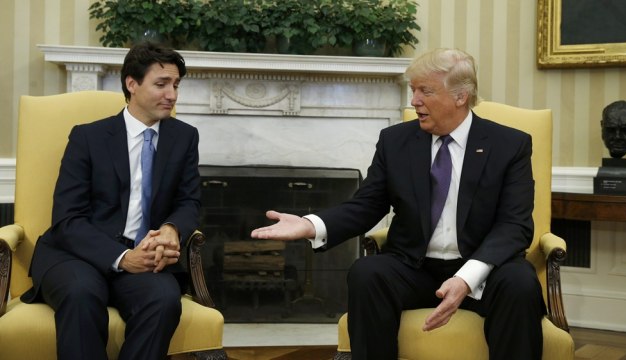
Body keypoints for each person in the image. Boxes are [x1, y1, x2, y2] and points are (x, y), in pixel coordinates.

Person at [251, 48, 546, 360]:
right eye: (413, 90)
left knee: (520, 282)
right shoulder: (395, 141)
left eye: (425, 91)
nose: (414, 101)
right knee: (367, 273)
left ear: (461, 96)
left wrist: (465, 278)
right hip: (414, 268)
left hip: (483, 270)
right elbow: (366, 205)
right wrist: (311, 225)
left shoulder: (509, 145)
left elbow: (514, 225)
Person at [21, 41, 201, 360]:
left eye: (175, 85)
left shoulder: (184, 137)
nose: (172, 95)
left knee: (162, 300)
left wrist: (172, 229)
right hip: (77, 254)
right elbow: (67, 219)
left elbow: (189, 201)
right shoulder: (87, 138)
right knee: (80, 293)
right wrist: (122, 257)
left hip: (144, 259)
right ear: (132, 84)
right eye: (161, 84)